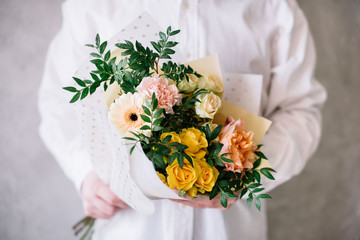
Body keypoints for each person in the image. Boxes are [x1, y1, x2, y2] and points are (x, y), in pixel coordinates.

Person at [38, 0, 326, 239]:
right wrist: (87, 175)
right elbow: (58, 102)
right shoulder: (92, 5)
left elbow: (300, 109)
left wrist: (246, 169)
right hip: (127, 226)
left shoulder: (274, 8)